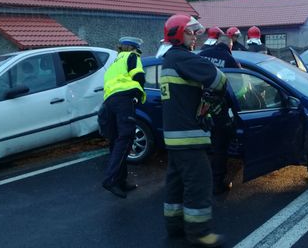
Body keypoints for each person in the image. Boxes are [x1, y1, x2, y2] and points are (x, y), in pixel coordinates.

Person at [160, 14, 227, 247]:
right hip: (189, 136)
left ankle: (174, 226)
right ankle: (200, 233)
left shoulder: (168, 60)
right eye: (191, 32)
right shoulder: (185, 59)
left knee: (176, 183)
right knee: (199, 183)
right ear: (179, 34)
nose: (195, 36)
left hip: (174, 137)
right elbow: (219, 80)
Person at [98, 37, 146, 199]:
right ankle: (110, 180)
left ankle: (120, 181)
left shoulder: (114, 62)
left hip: (109, 103)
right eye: (138, 50)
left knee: (116, 140)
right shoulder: (132, 57)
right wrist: (137, 96)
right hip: (124, 100)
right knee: (126, 138)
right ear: (134, 49)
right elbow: (139, 77)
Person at [199, 32, 241, 195]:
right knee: (219, 147)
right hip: (219, 110)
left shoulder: (202, 55)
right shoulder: (230, 59)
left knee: (200, 146)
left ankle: (200, 178)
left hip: (199, 108)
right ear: (229, 46)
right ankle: (217, 183)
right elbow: (238, 85)